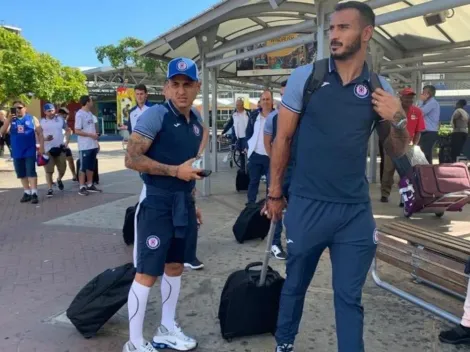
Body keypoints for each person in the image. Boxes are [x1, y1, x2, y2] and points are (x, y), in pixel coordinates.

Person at [264, 2, 409, 352]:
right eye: (332, 29)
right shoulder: (306, 78)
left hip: (354, 213)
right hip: (308, 205)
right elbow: (282, 139)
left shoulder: (379, 87)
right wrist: (275, 193)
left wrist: (399, 116)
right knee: (295, 285)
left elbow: (397, 150)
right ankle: (284, 343)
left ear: (366, 33)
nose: (334, 35)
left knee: (349, 297)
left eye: (344, 28)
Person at [123, 57, 204, 352]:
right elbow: (131, 159)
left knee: (175, 267)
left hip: (182, 204)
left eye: (187, 85)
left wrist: (191, 201)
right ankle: (134, 342)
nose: (181, 91)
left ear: (197, 87)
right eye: (176, 84)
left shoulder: (195, 124)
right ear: (167, 87)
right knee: (146, 272)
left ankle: (166, 328)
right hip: (156, 202)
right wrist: (174, 172)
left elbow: (189, 170)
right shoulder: (156, 115)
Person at [380, 87, 425, 204]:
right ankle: (384, 194)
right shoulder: (393, 111)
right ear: (401, 98)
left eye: (411, 97)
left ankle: (404, 198)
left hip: (407, 146)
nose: (409, 99)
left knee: (406, 172)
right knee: (388, 170)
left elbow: (418, 130)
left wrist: (414, 146)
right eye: (407, 97)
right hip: (392, 145)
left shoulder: (417, 112)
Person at [0, 100, 45, 204]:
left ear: (25, 108)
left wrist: (42, 147)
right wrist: (8, 120)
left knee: (31, 171)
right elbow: (2, 131)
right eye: (15, 108)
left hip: (29, 150)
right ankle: (27, 192)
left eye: (20, 107)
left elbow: (40, 134)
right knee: (21, 173)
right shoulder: (11, 120)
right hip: (17, 151)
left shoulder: (32, 118)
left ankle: (34, 193)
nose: (17, 110)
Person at [264, 80, 288, 260]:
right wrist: (276, 163)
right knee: (275, 207)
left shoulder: (303, 115)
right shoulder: (274, 117)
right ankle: (274, 243)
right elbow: (267, 142)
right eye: (283, 94)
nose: (285, 97)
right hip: (280, 171)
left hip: (299, 172)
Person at [244, 90, 276, 204]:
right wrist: (247, 145)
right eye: (263, 99)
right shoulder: (254, 116)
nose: (266, 102)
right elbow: (248, 132)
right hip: (255, 154)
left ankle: (269, 205)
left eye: (268, 99)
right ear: (260, 102)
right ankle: (250, 205)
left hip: (270, 155)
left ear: (272, 102)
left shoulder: (277, 116)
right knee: (253, 181)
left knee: (270, 182)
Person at [40, 103, 71, 197]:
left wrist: (67, 142)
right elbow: (37, 135)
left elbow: (68, 130)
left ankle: (59, 179)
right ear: (45, 112)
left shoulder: (60, 120)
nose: (51, 112)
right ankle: (50, 189)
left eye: (52, 110)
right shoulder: (41, 122)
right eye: (49, 111)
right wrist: (45, 139)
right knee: (49, 171)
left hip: (60, 148)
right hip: (47, 149)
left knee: (63, 168)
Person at [74, 95, 101, 196]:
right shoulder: (79, 114)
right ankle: (82, 186)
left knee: (91, 166)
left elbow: (92, 129)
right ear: (87, 102)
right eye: (91, 100)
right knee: (83, 167)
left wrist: (96, 141)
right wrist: (90, 135)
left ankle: (90, 184)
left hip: (92, 144)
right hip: (84, 146)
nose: (92, 102)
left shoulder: (90, 113)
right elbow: (77, 130)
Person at [417, 85, 441, 164]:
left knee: (425, 153)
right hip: (425, 132)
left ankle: (428, 173)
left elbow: (419, 113)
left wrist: (420, 101)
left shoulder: (433, 103)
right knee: (422, 153)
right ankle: (424, 172)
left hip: (430, 132)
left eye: (424, 93)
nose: (422, 94)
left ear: (429, 94)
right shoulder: (426, 103)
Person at [57, 107, 78, 181]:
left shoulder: (64, 121)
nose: (66, 116)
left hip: (65, 144)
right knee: (60, 164)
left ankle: (74, 175)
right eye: (64, 115)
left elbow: (67, 131)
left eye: (66, 115)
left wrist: (68, 133)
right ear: (60, 114)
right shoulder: (55, 120)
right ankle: (57, 178)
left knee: (70, 160)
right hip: (56, 145)